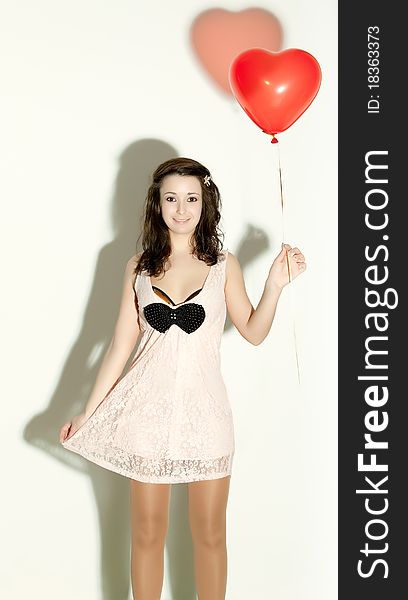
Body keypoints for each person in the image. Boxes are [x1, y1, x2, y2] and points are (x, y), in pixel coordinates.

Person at [59, 156, 306, 600]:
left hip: (207, 415)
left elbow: (252, 331)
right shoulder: (137, 267)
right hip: (145, 416)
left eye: (191, 198)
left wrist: (274, 285)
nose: (181, 209)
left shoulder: (222, 264)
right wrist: (87, 413)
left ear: (205, 202)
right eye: (171, 198)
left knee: (210, 533)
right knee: (147, 532)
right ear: (156, 204)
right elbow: (119, 346)